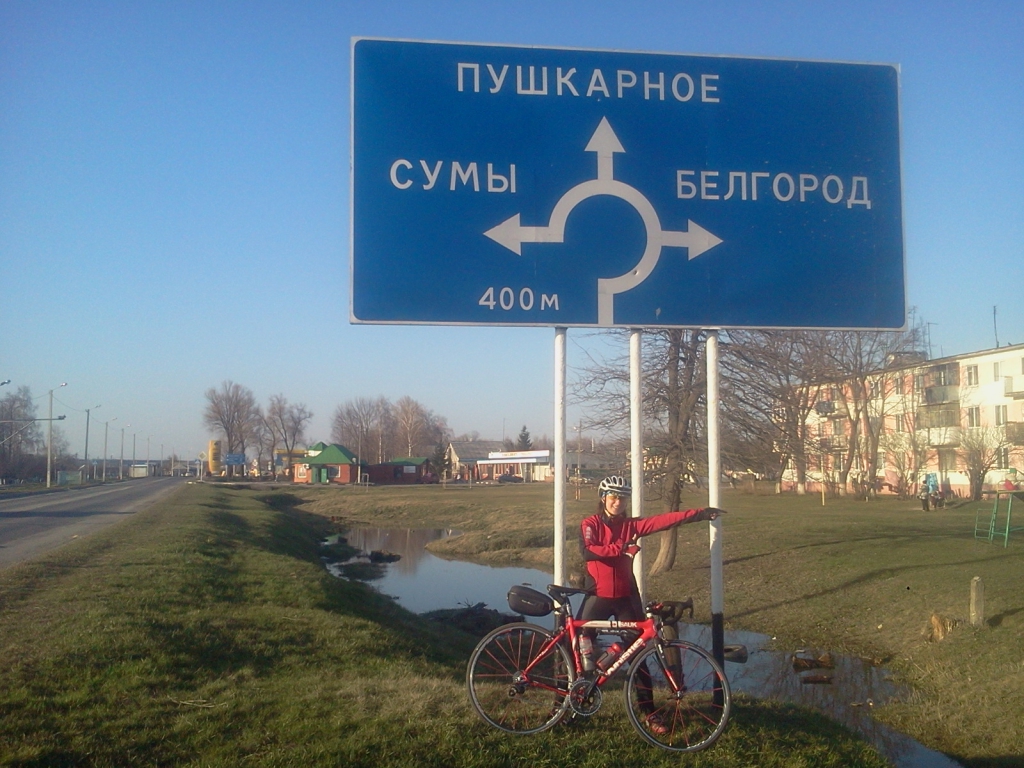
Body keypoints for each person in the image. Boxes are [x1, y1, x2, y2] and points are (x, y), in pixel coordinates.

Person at [577, 475, 725, 735]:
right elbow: (589, 550)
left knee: (638, 657)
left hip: (626, 597)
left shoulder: (631, 525)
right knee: (574, 646)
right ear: (603, 498)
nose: (618, 502)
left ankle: (649, 713)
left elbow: (663, 521)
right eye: (613, 497)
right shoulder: (590, 523)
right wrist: (622, 548)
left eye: (622, 498)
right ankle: (561, 704)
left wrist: (700, 514)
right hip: (598, 595)